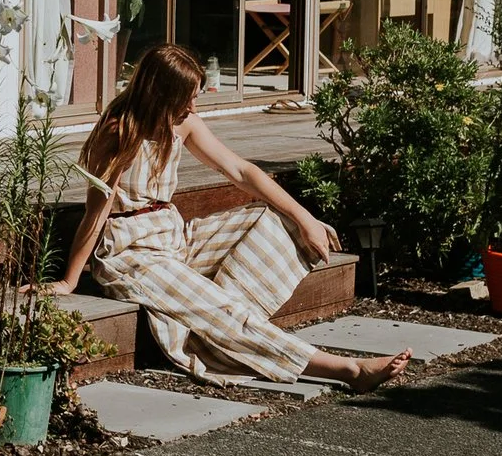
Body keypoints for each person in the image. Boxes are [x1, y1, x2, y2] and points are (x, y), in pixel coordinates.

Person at [47, 44, 409, 394]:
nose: (192, 105)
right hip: (131, 256)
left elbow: (239, 169)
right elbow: (96, 214)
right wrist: (69, 281)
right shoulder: (118, 133)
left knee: (273, 220)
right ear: (160, 94)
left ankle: (225, 328)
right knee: (223, 309)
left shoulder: (183, 122)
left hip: (173, 238)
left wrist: (305, 217)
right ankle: (349, 370)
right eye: (185, 97)